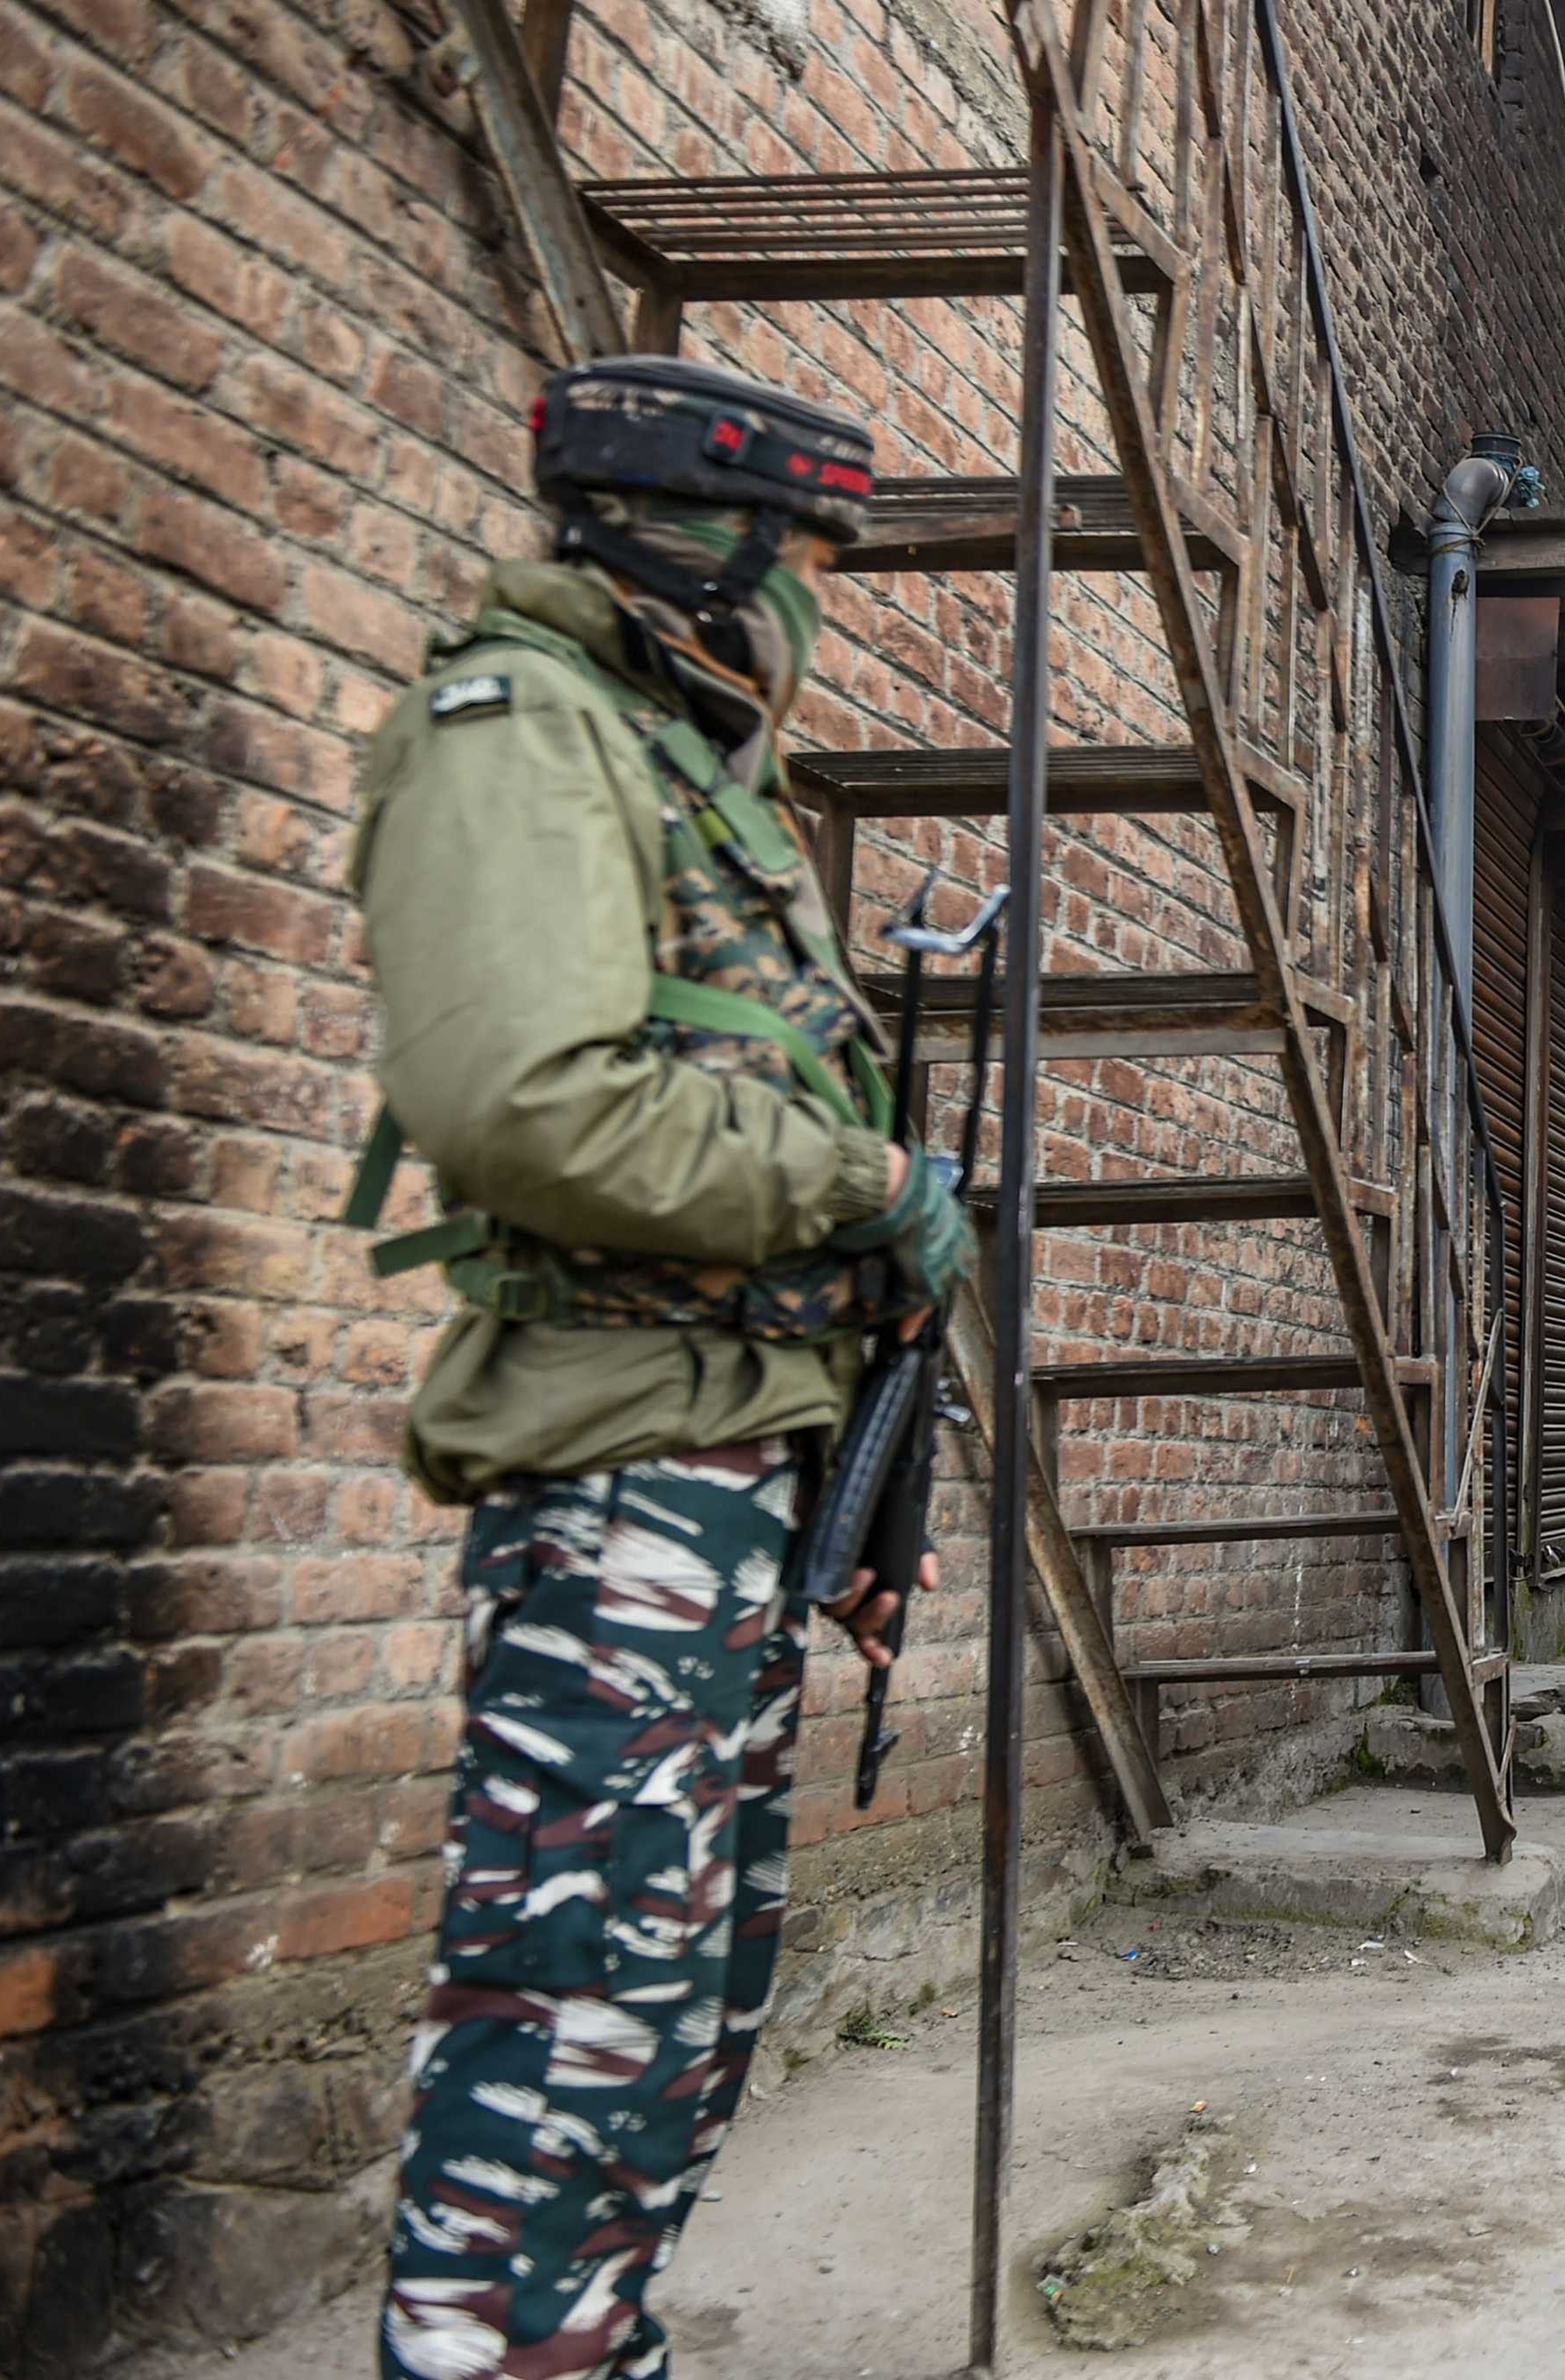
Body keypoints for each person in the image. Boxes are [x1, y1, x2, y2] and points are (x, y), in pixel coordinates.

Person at [348, 356, 977, 2380]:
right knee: (565, 2019)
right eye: (801, 553)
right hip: (615, 1481)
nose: (810, 599)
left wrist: (857, 1481)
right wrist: (860, 1175)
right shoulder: (518, 730)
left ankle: (583, 2349)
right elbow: (525, 1100)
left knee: (672, 2013)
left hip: (721, 1485)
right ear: (691, 539)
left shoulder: (689, 764)